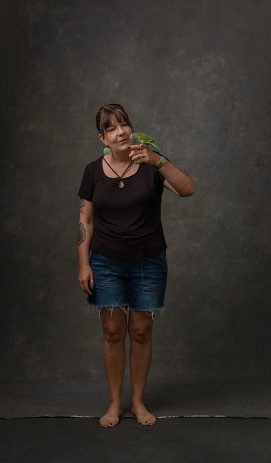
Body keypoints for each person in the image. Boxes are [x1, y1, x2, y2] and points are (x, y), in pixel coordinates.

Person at [77, 104, 195, 428]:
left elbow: (187, 189)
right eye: (112, 128)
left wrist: (160, 160)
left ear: (131, 128)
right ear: (102, 137)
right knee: (113, 331)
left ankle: (138, 401)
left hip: (149, 260)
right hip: (105, 262)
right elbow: (85, 220)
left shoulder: (150, 164)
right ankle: (115, 403)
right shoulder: (92, 171)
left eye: (124, 124)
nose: (121, 132)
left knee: (141, 331)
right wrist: (83, 263)